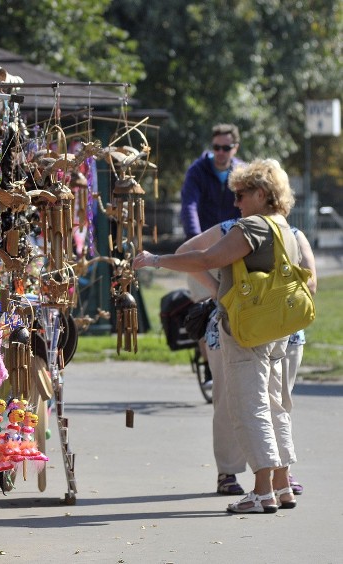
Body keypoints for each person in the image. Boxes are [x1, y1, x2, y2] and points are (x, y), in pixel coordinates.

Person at [134, 158, 305, 514]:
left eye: (242, 194)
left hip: (247, 329)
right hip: (275, 329)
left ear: (261, 193)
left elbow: (205, 258)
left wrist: (156, 260)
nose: (236, 202)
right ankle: (282, 485)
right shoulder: (284, 227)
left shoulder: (252, 227)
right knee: (275, 406)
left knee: (250, 405)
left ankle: (261, 491)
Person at [176, 219, 316, 497]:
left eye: (242, 194)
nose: (238, 201)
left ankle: (279, 474)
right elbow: (186, 253)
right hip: (236, 329)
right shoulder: (231, 229)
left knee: (278, 403)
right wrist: (218, 292)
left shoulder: (294, 234)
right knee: (231, 402)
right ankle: (229, 471)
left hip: (280, 333)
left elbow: (310, 284)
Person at [179, 124, 244, 384]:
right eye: (216, 147)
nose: (220, 152)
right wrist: (197, 244)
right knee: (206, 309)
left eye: (226, 148)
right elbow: (189, 206)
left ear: (235, 148)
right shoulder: (198, 171)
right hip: (203, 248)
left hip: (233, 248)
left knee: (235, 306)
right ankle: (208, 367)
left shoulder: (241, 172)